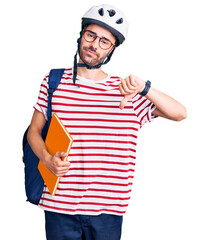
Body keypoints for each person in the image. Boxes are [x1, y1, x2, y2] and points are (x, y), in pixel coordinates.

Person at [27, 4, 187, 240]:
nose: (94, 44)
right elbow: (34, 131)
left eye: (104, 41)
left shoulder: (127, 92)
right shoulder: (53, 82)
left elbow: (180, 113)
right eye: (91, 35)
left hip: (108, 210)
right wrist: (47, 159)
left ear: (112, 49)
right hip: (58, 206)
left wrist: (145, 88)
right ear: (81, 35)